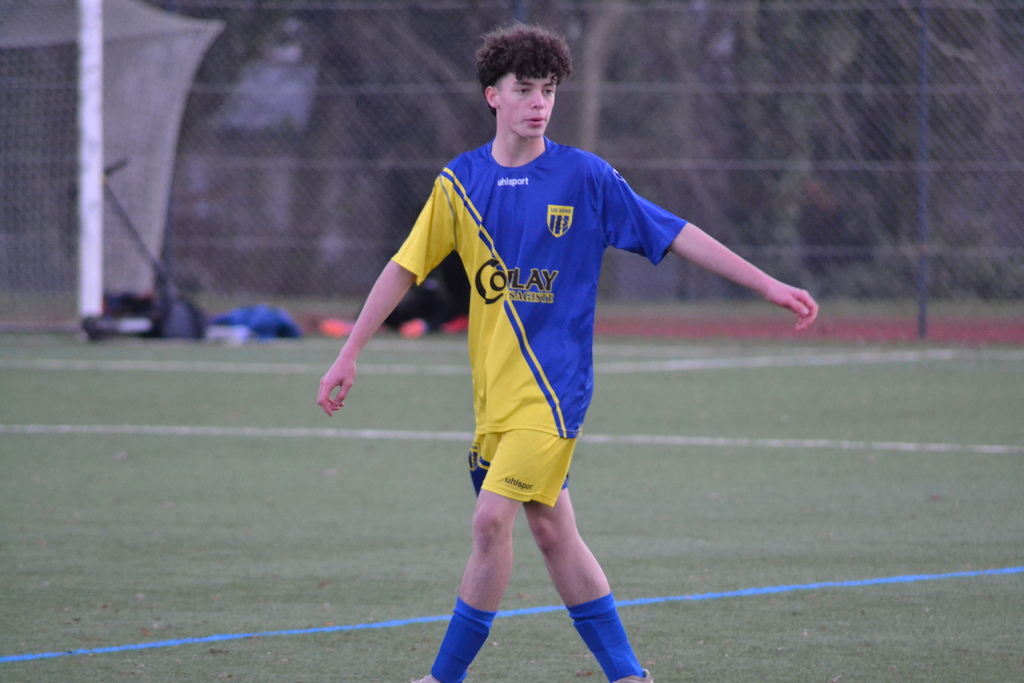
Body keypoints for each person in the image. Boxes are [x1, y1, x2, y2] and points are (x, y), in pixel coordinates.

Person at [317, 23, 818, 683]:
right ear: (493, 95)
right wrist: (350, 351)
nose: (539, 103)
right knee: (554, 533)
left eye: (548, 90)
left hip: (554, 394)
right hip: (495, 398)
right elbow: (404, 267)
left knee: (490, 520)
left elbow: (674, 231)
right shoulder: (460, 183)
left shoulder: (585, 177)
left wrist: (767, 284)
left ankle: (444, 678)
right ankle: (629, 674)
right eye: (525, 89)